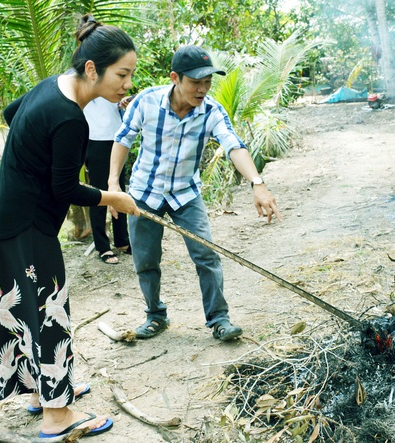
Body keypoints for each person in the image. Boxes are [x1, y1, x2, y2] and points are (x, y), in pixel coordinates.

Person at [0, 15, 139, 439]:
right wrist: (114, 198)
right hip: (29, 226)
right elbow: (66, 187)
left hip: (7, 218)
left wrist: (25, 161)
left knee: (27, 310)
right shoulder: (72, 118)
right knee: (50, 310)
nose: (127, 84)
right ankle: (57, 416)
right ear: (93, 69)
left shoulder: (50, 86)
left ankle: (42, 393)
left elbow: (11, 113)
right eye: (122, 74)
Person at [108, 45, 281, 342]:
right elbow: (123, 140)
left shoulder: (212, 111)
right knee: (146, 260)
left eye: (208, 82)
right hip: (144, 193)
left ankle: (219, 319)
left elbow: (233, 145)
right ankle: (155, 315)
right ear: (175, 78)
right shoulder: (147, 102)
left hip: (185, 194)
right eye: (195, 82)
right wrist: (113, 185)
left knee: (206, 255)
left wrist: (257, 182)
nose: (202, 89)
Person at [83, 96, 134, 264]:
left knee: (118, 188)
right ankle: (102, 246)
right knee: (98, 192)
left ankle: (122, 241)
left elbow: (113, 105)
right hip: (95, 139)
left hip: (117, 138)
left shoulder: (112, 77)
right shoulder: (81, 76)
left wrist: (122, 104)